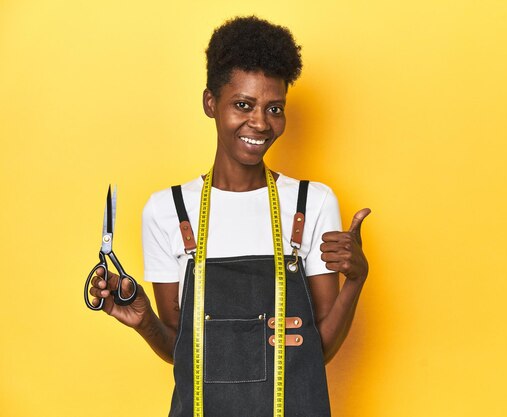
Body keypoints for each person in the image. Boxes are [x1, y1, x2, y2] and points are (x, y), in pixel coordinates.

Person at [88, 15, 370, 416]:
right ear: (210, 103)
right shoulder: (169, 211)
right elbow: (180, 351)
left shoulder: (312, 203)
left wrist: (357, 280)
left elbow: (317, 350)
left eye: (275, 108)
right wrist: (143, 319)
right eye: (243, 104)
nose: (260, 122)